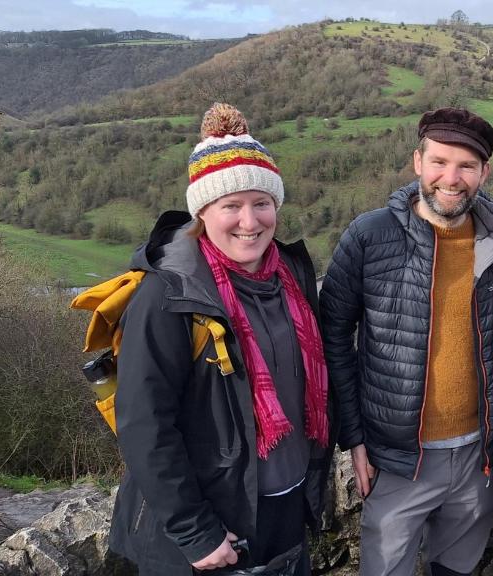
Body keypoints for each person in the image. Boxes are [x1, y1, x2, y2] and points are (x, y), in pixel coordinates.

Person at [108, 102, 332, 576]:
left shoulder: (291, 276)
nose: (250, 222)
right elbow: (144, 424)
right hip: (212, 531)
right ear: (203, 211)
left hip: (285, 509)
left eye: (262, 203)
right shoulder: (168, 295)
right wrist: (195, 533)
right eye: (231, 206)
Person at [320, 107, 493, 576]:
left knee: (456, 569)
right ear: (417, 161)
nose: (451, 178)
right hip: (398, 458)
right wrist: (354, 437)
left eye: (466, 166)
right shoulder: (370, 236)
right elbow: (333, 335)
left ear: (485, 172)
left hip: (477, 457)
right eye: (439, 162)